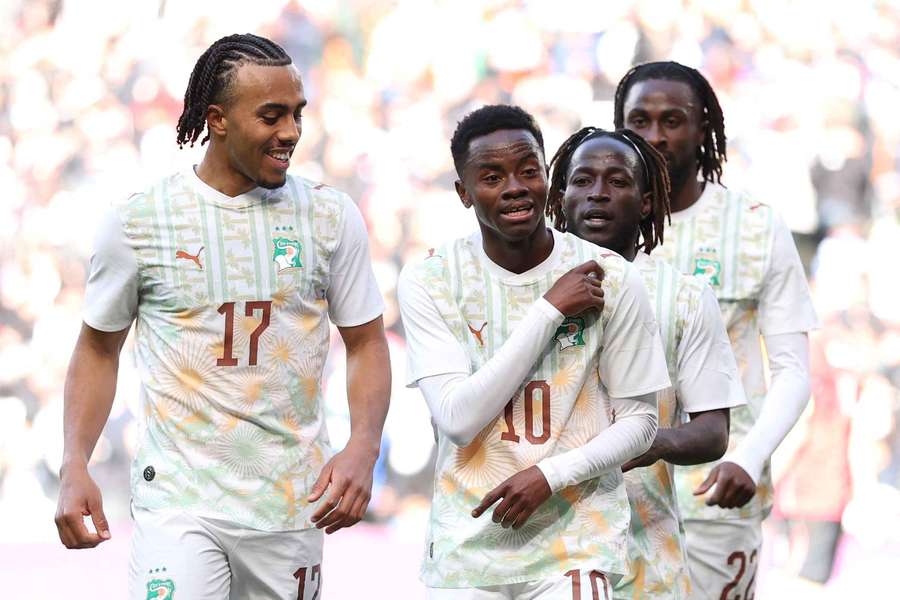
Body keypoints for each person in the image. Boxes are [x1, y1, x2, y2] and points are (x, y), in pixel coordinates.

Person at [54, 33, 390, 599]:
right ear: (218, 120)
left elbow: (366, 342)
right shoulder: (140, 223)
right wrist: (74, 462)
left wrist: (363, 446)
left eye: (297, 114)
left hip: (290, 505)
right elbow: (97, 349)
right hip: (181, 505)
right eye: (271, 115)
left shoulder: (329, 216)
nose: (290, 132)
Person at [397, 104, 671, 599]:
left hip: (576, 541)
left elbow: (640, 422)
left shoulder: (611, 274)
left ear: (548, 178)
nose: (515, 187)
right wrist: (548, 311)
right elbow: (457, 418)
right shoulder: (431, 279)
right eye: (492, 176)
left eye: (529, 170)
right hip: (469, 540)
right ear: (464, 193)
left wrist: (550, 474)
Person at [615, 61, 818, 598]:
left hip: (717, 490)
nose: (655, 135)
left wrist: (747, 457)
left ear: (703, 127)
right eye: (639, 119)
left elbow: (794, 371)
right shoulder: (592, 223)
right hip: (611, 493)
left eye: (672, 119)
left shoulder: (754, 226)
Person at [546, 126, 745, 599]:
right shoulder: (522, 288)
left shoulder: (684, 297)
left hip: (642, 558)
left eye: (617, 181)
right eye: (583, 180)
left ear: (648, 201)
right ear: (560, 195)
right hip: (539, 550)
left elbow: (714, 431)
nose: (598, 194)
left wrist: (648, 442)